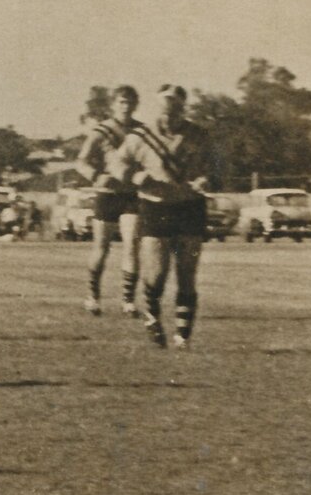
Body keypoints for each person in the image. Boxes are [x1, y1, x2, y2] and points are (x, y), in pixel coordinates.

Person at [108, 85, 219, 349]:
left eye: (176, 106)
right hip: (156, 207)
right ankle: (152, 315)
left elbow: (218, 166)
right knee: (156, 274)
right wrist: (135, 176)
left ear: (183, 108)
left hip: (190, 206)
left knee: (187, 273)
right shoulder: (141, 136)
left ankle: (182, 336)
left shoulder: (200, 136)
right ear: (158, 107)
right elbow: (117, 162)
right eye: (166, 105)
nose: (170, 111)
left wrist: (207, 179)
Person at [76, 85, 145, 316]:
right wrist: (97, 176)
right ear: (114, 104)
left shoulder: (142, 131)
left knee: (132, 245)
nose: (125, 107)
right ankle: (92, 296)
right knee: (101, 247)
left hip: (131, 194)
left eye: (130, 102)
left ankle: (128, 301)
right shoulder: (101, 131)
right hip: (107, 195)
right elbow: (81, 161)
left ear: (136, 105)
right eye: (121, 102)